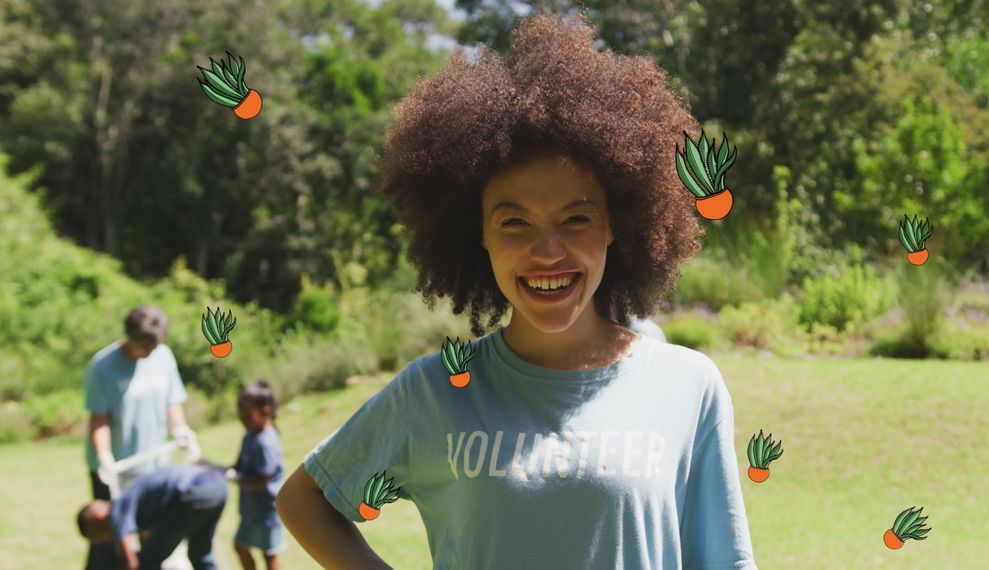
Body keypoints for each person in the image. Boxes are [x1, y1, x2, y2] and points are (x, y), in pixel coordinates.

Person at [277, 12, 756, 570]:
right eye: (514, 223)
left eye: (575, 220)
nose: (547, 252)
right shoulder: (434, 392)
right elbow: (305, 500)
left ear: (615, 225)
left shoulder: (688, 386)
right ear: (475, 233)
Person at [83, 305, 200, 569]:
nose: (149, 352)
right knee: (109, 540)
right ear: (129, 337)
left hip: (152, 468)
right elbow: (98, 418)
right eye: (145, 347)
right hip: (114, 470)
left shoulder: (163, 356)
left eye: (154, 347)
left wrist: (180, 429)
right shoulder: (103, 366)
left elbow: (172, 402)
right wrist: (104, 457)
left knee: (150, 537)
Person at [76, 464, 229, 570]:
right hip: (218, 485)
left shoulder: (117, 511)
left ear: (97, 518)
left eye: (99, 537)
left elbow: (130, 561)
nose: (106, 539)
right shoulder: (135, 504)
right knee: (200, 554)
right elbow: (149, 537)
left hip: (194, 491)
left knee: (148, 561)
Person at [230, 380, 286, 570]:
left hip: (267, 511)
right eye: (240, 416)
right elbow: (237, 467)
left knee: (269, 554)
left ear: (266, 411)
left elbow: (262, 482)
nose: (243, 420)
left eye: (247, 415)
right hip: (251, 510)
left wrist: (235, 479)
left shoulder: (266, 443)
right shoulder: (248, 436)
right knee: (240, 546)